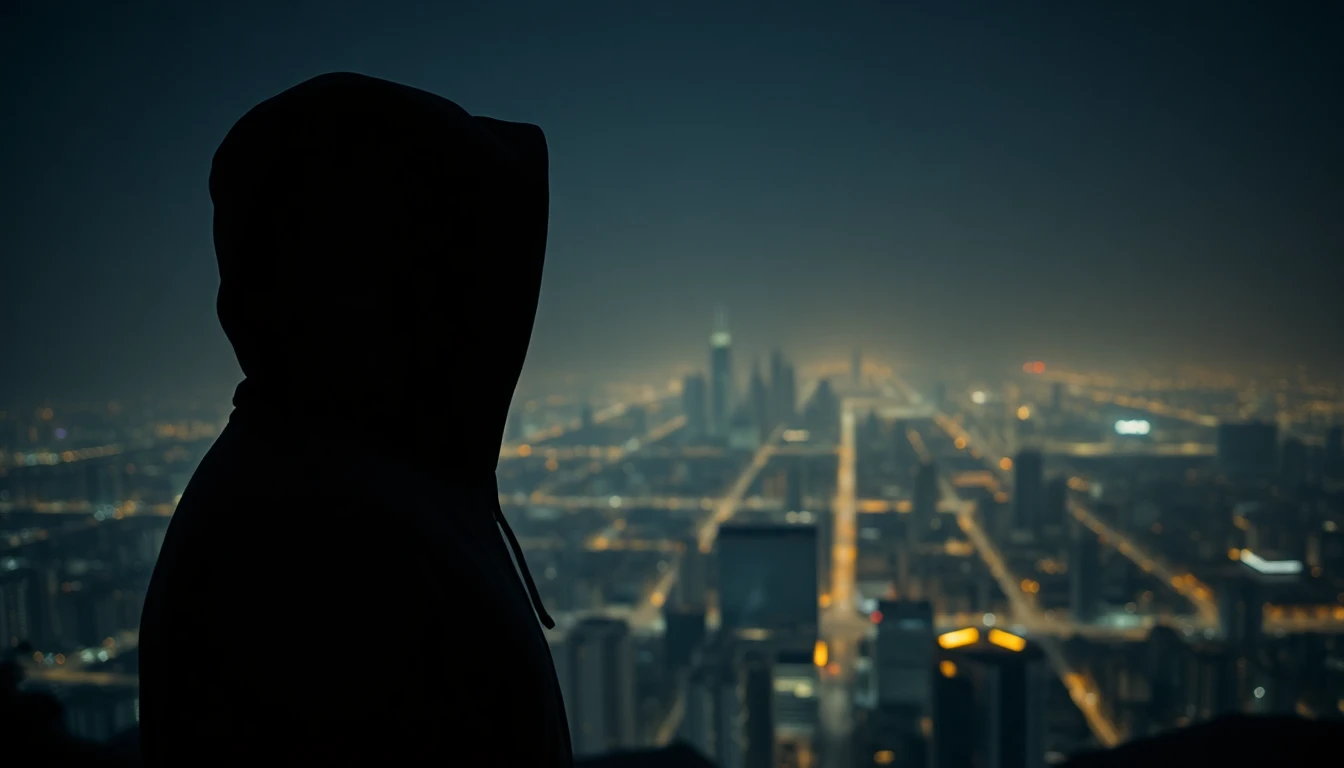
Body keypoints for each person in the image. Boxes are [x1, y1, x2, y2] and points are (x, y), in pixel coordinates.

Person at [138, 72, 569, 766]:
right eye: (454, 264)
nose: (490, 311)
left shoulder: (357, 480)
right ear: (372, 283)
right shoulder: (323, 541)